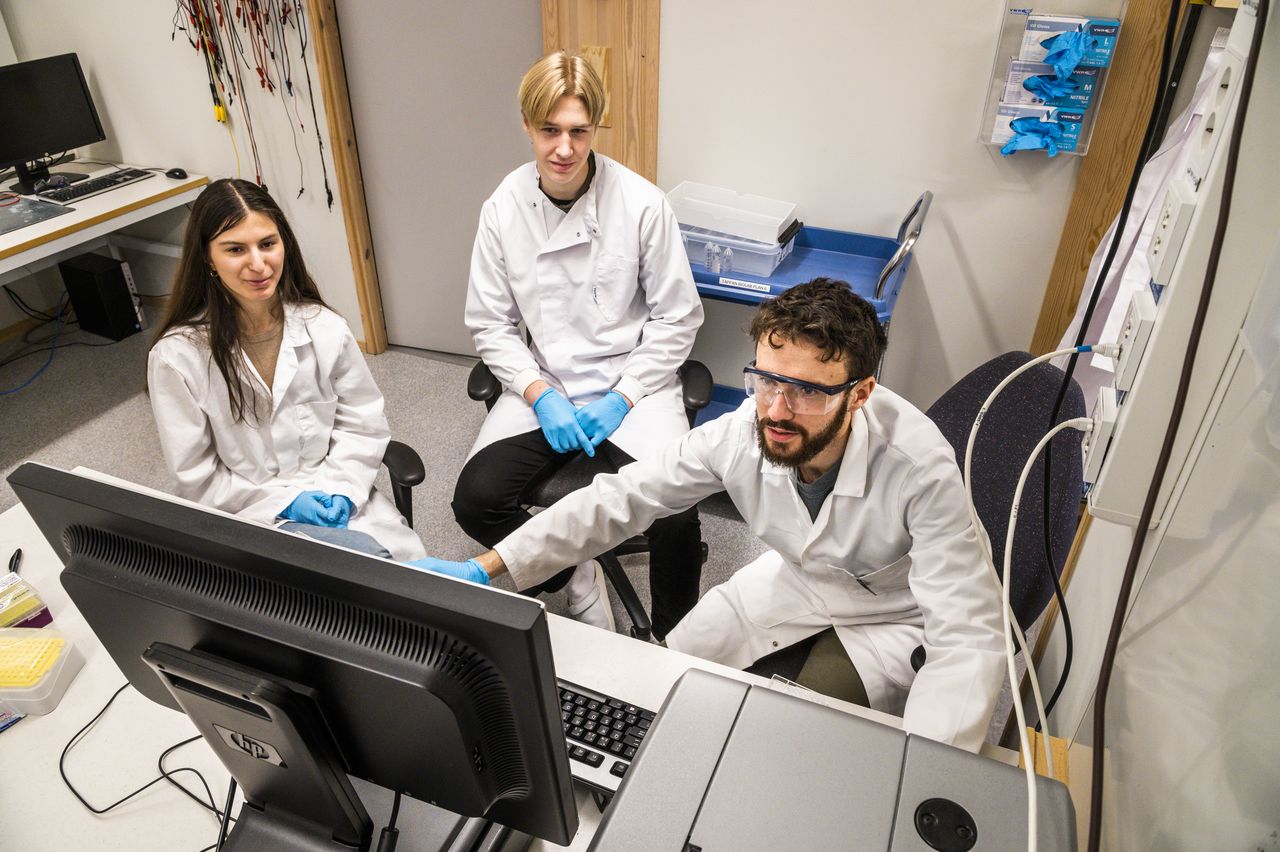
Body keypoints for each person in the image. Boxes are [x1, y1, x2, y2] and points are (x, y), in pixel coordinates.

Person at [411, 278, 1005, 752]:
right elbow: (622, 498)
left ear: (860, 393)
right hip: (796, 581)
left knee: (788, 741)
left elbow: (968, 637)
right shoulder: (743, 430)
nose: (776, 409)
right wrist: (490, 568)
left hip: (893, 616)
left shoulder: (919, 464)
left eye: (806, 391)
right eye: (766, 380)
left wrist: (933, 776)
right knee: (664, 682)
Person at [450, 51, 705, 635]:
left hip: (632, 387)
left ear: (595, 129)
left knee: (677, 511)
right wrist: (539, 392)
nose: (563, 149)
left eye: (578, 132)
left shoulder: (642, 205)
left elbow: (678, 318)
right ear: (527, 126)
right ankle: (570, 575)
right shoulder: (503, 208)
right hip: (548, 383)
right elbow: (490, 324)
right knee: (476, 501)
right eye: (549, 131)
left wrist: (625, 395)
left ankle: (676, 641)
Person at [147, 178, 425, 561]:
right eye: (235, 249)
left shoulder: (324, 327)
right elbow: (196, 477)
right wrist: (287, 504)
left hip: (338, 499)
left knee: (401, 578)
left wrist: (342, 490)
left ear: (284, 245)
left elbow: (363, 424)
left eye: (267, 244)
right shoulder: (178, 357)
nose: (258, 264)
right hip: (250, 515)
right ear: (208, 258)